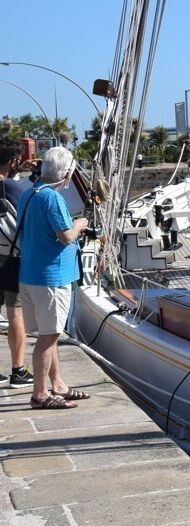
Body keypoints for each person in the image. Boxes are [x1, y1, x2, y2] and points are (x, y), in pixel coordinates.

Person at [16, 147, 91, 409]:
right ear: (68, 172)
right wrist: (80, 225)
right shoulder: (53, 199)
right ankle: (41, 395)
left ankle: (57, 384)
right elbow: (66, 236)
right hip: (51, 280)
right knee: (48, 338)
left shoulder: (28, 194)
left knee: (49, 334)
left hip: (29, 275)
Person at [0, 141, 35, 386]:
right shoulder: (12, 186)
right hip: (11, 258)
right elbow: (30, 201)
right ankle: (18, 370)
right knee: (15, 312)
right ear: (13, 162)